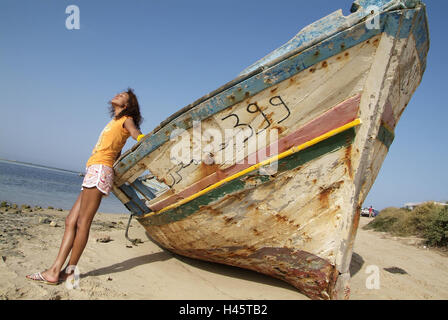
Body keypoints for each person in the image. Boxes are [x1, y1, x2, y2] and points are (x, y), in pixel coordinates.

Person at [26, 88, 145, 285]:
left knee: (83, 223)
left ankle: (67, 272)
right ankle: (56, 270)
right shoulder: (114, 122)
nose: (118, 95)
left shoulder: (127, 118)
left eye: (123, 96)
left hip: (100, 170)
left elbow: (135, 133)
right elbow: (116, 149)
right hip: (95, 170)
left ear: (127, 105)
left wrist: (143, 139)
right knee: (70, 221)